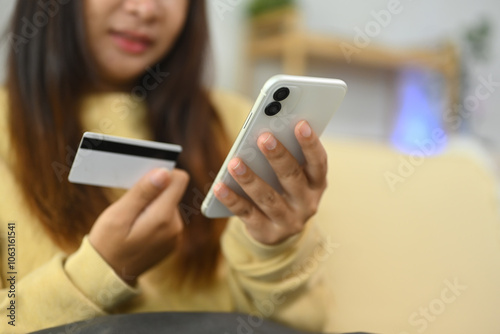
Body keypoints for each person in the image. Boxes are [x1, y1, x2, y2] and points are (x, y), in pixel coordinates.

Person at [0, 1, 331, 333]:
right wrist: (101, 271)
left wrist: (275, 247)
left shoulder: (233, 121)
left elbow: (304, 324)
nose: (145, 9)